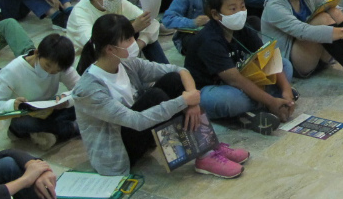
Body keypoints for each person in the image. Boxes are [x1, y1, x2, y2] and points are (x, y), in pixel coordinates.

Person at [72, 14, 243, 178]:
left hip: (138, 136)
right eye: (128, 39)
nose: (134, 43)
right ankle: (205, 153)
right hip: (118, 154)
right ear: (110, 49)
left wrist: (192, 103)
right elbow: (136, 121)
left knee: (173, 80)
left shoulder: (127, 64)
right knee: (156, 96)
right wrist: (183, 101)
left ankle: (208, 146)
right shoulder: (89, 89)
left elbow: (179, 70)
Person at [184, 0, 297, 132]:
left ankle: (263, 103)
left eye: (242, 6)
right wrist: (271, 101)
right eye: (233, 9)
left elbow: (268, 58)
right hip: (211, 89)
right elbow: (234, 79)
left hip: (240, 80)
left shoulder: (242, 29)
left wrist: (287, 90)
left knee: (285, 65)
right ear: (216, 14)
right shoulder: (209, 40)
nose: (240, 12)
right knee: (231, 100)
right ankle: (265, 102)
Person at [0, 34, 79, 150]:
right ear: (37, 53)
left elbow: (82, 89)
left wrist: (66, 100)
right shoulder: (12, 71)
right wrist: (12, 105)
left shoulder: (60, 65)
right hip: (24, 117)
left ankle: (48, 132)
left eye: (56, 71)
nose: (49, 72)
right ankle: (72, 128)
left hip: (49, 110)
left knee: (81, 105)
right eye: (47, 66)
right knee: (25, 123)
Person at [66, 0, 167, 64]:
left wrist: (139, 44)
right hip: (91, 61)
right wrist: (132, 29)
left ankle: (167, 71)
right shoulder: (80, 14)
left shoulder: (116, 1)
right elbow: (98, 46)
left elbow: (151, 22)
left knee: (145, 30)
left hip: (117, 51)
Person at [163, 0, 242, 53]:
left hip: (219, 32)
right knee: (207, 43)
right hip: (191, 35)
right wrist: (193, 22)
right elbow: (168, 19)